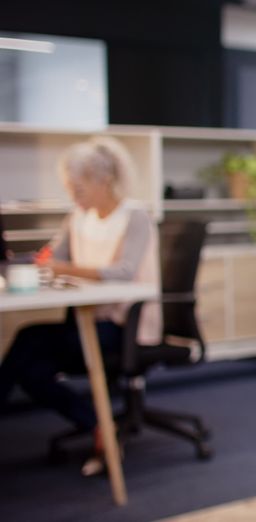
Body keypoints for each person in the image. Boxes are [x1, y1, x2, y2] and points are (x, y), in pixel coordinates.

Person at [0, 136, 160, 476]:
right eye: (70, 189)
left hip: (122, 327)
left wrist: (64, 268)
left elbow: (123, 272)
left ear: (103, 181)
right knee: (30, 368)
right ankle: (98, 425)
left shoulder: (135, 217)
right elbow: (53, 256)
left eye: (79, 188)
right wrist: (28, 262)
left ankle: (97, 425)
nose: (73, 196)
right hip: (87, 322)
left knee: (29, 342)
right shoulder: (78, 217)